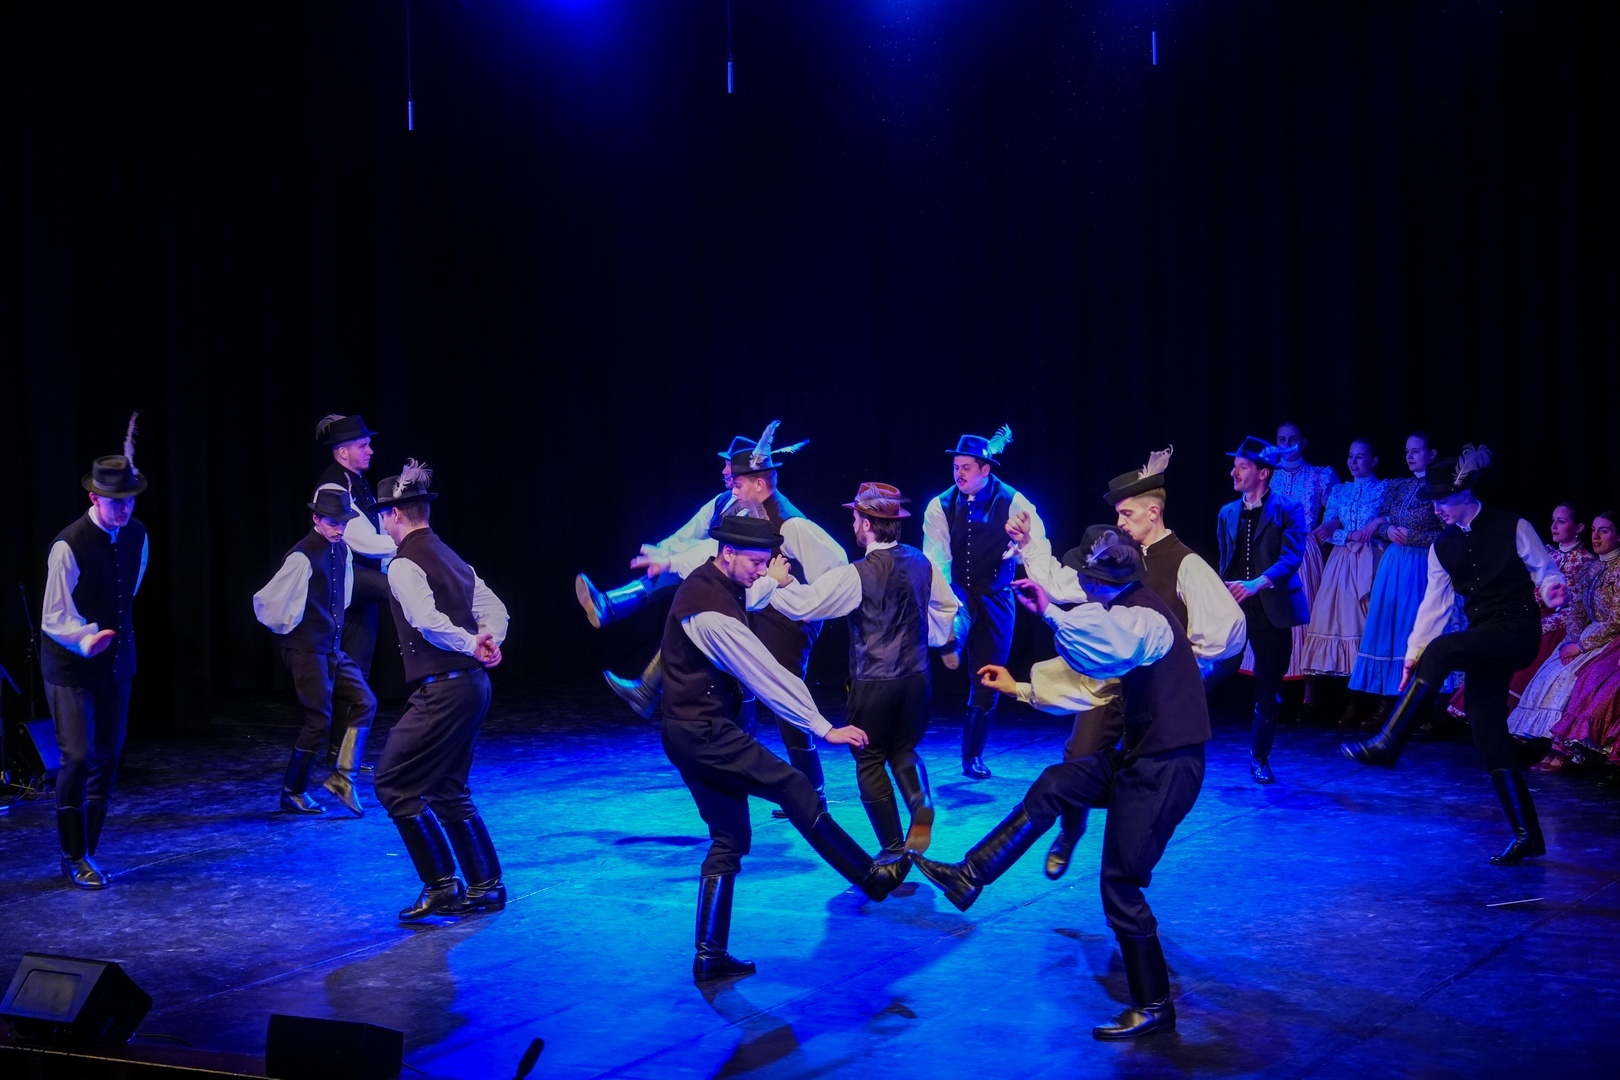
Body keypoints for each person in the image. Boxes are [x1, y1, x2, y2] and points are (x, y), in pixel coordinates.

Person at [912, 535, 1208, 1040]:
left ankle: (1154, 1005)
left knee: (1121, 883)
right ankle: (970, 874)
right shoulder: (1123, 616)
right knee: (1056, 781)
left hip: (1166, 768)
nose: (1082, 586)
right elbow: (1094, 681)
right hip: (1141, 760)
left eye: (1086, 578)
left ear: (1098, 581)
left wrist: (1051, 612)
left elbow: (1105, 645)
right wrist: (1020, 687)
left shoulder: (1143, 617)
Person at [657, 513, 907, 983]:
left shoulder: (717, 581)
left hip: (686, 731)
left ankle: (710, 955)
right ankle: (870, 877)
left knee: (730, 839)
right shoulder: (711, 614)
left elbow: (750, 594)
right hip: (705, 732)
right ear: (727, 553)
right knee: (793, 786)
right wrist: (823, 727)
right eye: (755, 562)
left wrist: (771, 580)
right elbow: (767, 675)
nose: (760, 570)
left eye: (765, 562)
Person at [1013, 448, 1244, 875]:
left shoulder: (1186, 563)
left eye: (1126, 514)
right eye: (1118, 515)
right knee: (1079, 756)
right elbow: (1063, 586)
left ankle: (1127, 860)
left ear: (1153, 512)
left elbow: (1227, 627)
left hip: (1155, 695)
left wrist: (1190, 668)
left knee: (1145, 773)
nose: (1119, 523)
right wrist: (1030, 546)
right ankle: (1070, 831)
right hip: (1111, 686)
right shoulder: (1115, 558)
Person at [1341, 447, 1569, 865]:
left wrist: (1554, 588)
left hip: (1516, 630)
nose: (1437, 509)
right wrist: (1413, 655)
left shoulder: (1513, 525)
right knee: (1488, 734)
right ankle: (1528, 835)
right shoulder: (1441, 546)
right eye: (1433, 502)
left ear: (1464, 493)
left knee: (1445, 648)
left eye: (1443, 500)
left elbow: (1545, 570)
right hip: (1483, 637)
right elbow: (1434, 607)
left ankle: (1389, 742)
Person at [657, 424, 848, 820]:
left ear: (760, 483)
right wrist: (668, 559)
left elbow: (836, 567)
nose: (733, 488)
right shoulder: (739, 513)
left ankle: (813, 794)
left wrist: (806, 601)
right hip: (755, 606)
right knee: (739, 684)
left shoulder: (792, 524)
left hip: (788, 623)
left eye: (739, 483)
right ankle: (741, 770)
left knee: (781, 694)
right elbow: (709, 552)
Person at [766, 483, 959, 858]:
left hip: (874, 681)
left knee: (869, 757)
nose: (853, 524)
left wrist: (780, 583)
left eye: (856, 518)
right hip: (918, 678)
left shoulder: (856, 574)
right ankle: (920, 803)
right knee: (902, 748)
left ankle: (893, 847)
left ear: (868, 524)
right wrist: (931, 639)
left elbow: (809, 604)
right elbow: (947, 607)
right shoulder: (922, 563)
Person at [371, 461, 510, 921]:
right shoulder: (451, 556)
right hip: (472, 686)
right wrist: (488, 640)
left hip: (446, 690)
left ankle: (442, 886)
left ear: (393, 515)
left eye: (383, 516)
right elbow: (496, 608)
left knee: (393, 783)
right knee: (447, 786)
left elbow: (426, 621)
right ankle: (486, 886)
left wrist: (474, 643)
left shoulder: (403, 563)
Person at [40, 419, 150, 890]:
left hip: (117, 663)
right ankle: (72, 854)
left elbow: (129, 590)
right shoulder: (69, 546)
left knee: (108, 756)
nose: (123, 508)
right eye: (114, 501)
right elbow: (53, 615)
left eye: (129, 500)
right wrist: (86, 639)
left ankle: (88, 851)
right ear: (94, 498)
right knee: (79, 756)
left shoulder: (138, 534)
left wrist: (112, 642)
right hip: (71, 666)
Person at [583, 438, 742, 716]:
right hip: (715, 583)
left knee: (685, 615)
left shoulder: (753, 511)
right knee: (680, 605)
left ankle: (645, 689)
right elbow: (689, 533)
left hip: (740, 597)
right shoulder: (723, 501)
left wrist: (669, 561)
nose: (724, 470)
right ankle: (609, 608)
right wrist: (663, 551)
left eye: (729, 465)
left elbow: (713, 548)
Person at [923, 425, 1046, 779]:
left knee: (988, 673)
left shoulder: (1014, 501)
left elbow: (1036, 542)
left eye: (966, 468)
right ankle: (952, 640)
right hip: (959, 588)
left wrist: (1017, 549)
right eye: (956, 467)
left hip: (997, 594)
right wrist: (943, 600)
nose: (959, 474)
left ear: (985, 469)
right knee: (958, 615)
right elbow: (937, 560)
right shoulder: (939, 505)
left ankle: (972, 756)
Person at [252, 483, 378, 816]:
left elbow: (343, 596)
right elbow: (269, 603)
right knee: (319, 721)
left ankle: (343, 777)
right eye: (333, 522)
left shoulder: (342, 550)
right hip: (306, 648)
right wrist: (296, 632)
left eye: (343, 523)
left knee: (365, 701)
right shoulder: (301, 556)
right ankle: (292, 792)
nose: (339, 529)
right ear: (316, 519)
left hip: (330, 648)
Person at [1216, 436, 1311, 783]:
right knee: (1213, 668)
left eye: (1242, 467)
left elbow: (1291, 558)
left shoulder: (1289, 509)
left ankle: (1259, 757)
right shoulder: (1227, 512)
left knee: (1268, 685)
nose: (1234, 473)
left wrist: (1258, 583)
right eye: (1235, 466)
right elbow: (1226, 561)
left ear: (1263, 473)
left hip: (1272, 608)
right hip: (1235, 607)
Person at [1346, 432, 1446, 727]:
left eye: (1416, 451)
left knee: (1413, 631)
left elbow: (1449, 533)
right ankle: (1387, 702)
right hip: (1394, 564)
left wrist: (1413, 536)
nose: (1410, 456)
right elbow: (1379, 522)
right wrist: (1387, 530)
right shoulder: (1400, 486)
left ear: (1432, 453)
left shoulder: (1441, 488)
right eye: (1407, 451)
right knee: (1389, 631)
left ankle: (1420, 708)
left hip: (1422, 565)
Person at [1507, 511, 1620, 742]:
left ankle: (1564, 742)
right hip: (1587, 633)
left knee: (1574, 680)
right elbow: (1577, 611)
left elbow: (1617, 619)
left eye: (1604, 531)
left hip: (1610, 638)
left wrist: (1581, 646)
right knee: (1551, 671)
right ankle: (1536, 737)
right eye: (1594, 530)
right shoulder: (1590, 569)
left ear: (1618, 536)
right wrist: (1571, 641)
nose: (1596, 537)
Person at [1298, 440, 1388, 715]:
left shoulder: (1384, 489)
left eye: (1360, 457)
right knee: (1338, 623)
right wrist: (1346, 532)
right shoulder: (1340, 491)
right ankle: (1350, 700)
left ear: (1374, 460)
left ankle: (1378, 700)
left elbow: (1388, 524)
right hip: (1341, 561)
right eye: (1350, 456)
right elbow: (1330, 529)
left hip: (1370, 559)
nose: (1353, 462)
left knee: (1369, 624)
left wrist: (1377, 525)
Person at [1261, 421, 1341, 701]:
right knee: (1273, 618)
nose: (1287, 445)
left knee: (1304, 620)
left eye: (1293, 439)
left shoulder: (1320, 475)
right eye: (1282, 440)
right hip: (1272, 552)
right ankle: (1274, 691)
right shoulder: (1269, 476)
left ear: (1303, 442)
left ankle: (1309, 695)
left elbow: (1339, 509)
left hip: (1304, 552)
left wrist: (1331, 523)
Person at [315, 414, 396, 681]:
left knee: (358, 658)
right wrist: (407, 545)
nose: (370, 451)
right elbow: (363, 541)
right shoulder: (334, 486)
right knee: (399, 587)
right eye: (363, 446)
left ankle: (354, 707)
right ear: (342, 452)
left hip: (361, 577)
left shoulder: (357, 482)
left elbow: (378, 530)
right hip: (343, 574)